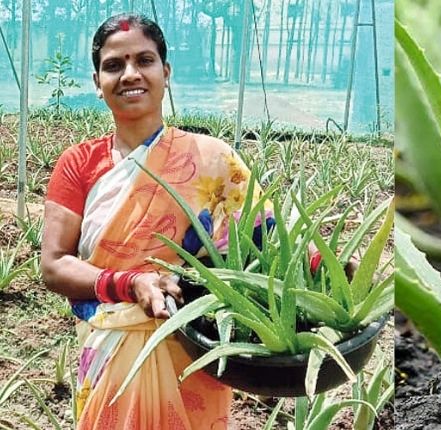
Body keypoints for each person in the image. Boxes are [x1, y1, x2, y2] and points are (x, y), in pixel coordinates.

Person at [41, 13, 272, 429]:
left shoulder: (212, 159)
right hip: (111, 346)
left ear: (165, 73)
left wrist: (317, 268)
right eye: (114, 65)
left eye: (144, 61)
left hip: (193, 347)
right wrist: (131, 284)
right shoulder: (78, 164)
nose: (130, 74)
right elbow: (55, 265)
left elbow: (264, 239)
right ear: (97, 82)